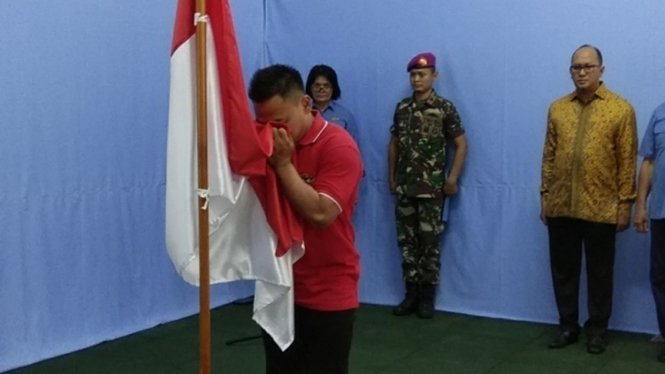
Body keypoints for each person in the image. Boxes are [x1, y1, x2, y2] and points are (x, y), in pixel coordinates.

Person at [248, 64, 363, 374]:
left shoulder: (338, 145)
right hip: (280, 288)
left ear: (305, 104)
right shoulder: (266, 145)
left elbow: (321, 213)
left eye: (281, 122)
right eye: (264, 124)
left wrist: (283, 166)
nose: (273, 132)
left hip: (327, 293)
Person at [540, 45, 637, 354]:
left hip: (601, 207)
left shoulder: (621, 109)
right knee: (563, 271)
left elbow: (627, 161)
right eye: (576, 67)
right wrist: (545, 196)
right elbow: (549, 157)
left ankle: (597, 330)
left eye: (588, 66)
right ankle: (567, 326)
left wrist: (625, 205)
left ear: (601, 70)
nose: (581, 72)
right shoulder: (557, 108)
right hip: (561, 205)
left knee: (600, 273)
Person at [388, 52, 468, 319]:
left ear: (434, 76)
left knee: (430, 243)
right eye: (413, 75)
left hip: (432, 190)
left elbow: (461, 145)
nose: (417, 79)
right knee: (406, 243)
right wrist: (391, 176)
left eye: (422, 74)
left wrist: (452, 179)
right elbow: (395, 144)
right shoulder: (402, 108)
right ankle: (410, 295)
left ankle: (426, 298)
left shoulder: (444, 108)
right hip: (405, 188)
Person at [634, 101, 665, 362]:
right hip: (661, 212)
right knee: (660, 275)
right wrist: (641, 205)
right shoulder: (660, 113)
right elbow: (649, 162)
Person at [305, 64, 359, 142]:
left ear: (333, 88)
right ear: (310, 88)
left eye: (326, 86)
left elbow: (353, 145)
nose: (321, 90)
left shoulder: (345, 116)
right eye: (317, 85)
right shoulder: (303, 113)